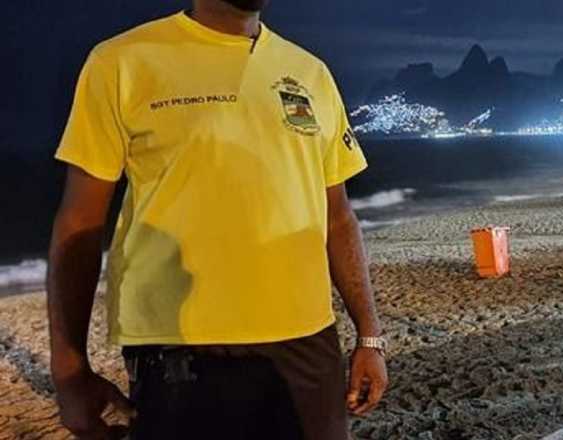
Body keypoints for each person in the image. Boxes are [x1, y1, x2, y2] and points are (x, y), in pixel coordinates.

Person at [46, 0, 388, 438]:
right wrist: (69, 370)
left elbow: (337, 218)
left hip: (309, 344)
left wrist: (369, 337)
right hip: (180, 350)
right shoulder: (122, 61)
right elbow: (79, 223)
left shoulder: (310, 72)